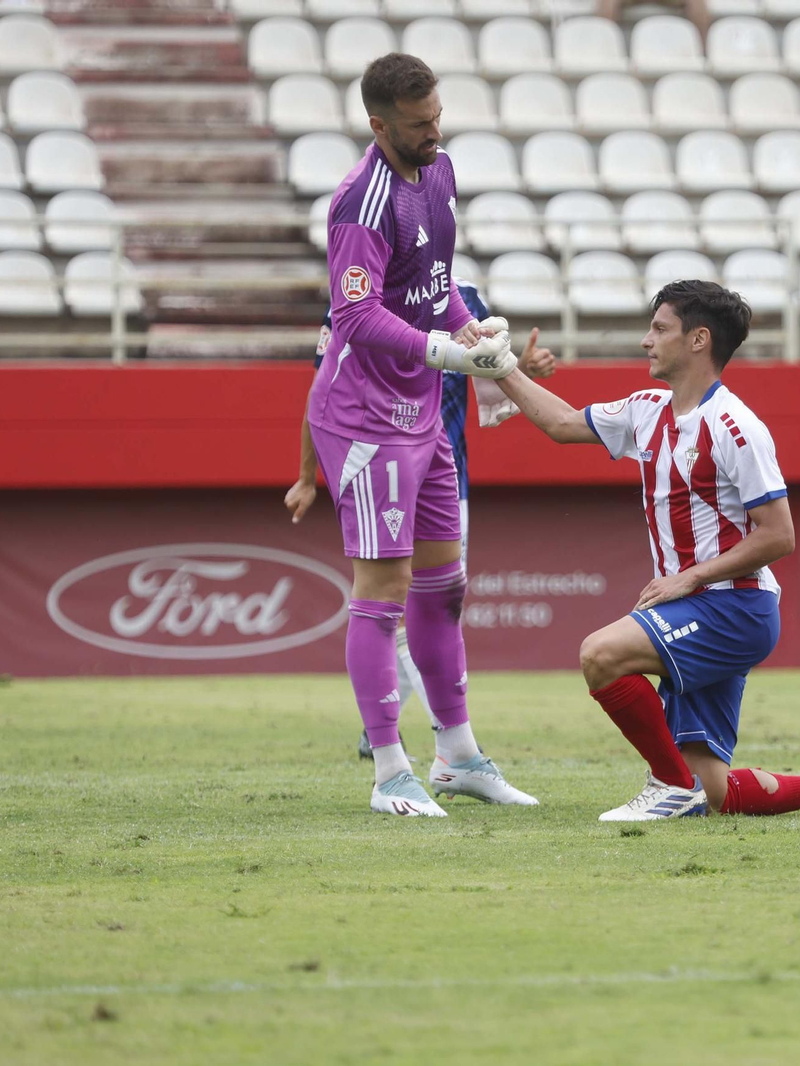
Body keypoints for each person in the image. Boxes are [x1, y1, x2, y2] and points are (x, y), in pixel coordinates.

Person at [492, 280, 800, 821]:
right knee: (715, 791)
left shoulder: (735, 427)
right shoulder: (646, 410)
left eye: (659, 328)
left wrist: (689, 578)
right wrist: (500, 367)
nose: (646, 341)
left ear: (698, 340)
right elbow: (562, 424)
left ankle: (667, 786)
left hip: (734, 608)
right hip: (698, 608)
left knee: (601, 655)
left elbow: (780, 535)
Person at [296, 51, 526, 817]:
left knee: (444, 589)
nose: (435, 132)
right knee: (383, 593)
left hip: (423, 411)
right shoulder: (360, 204)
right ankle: (389, 771)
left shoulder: (442, 172)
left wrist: (475, 335)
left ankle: (458, 758)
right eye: (420, 124)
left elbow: (433, 292)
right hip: (364, 419)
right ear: (378, 123)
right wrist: (444, 351)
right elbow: (354, 316)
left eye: (437, 117)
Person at [288, 277, 554, 807]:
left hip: (444, 467)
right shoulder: (356, 292)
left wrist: (520, 371)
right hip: (380, 450)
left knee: (442, 601)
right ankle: (393, 753)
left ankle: (452, 753)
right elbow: (324, 383)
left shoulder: (464, 296)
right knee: (392, 600)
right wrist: (305, 475)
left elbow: (488, 375)